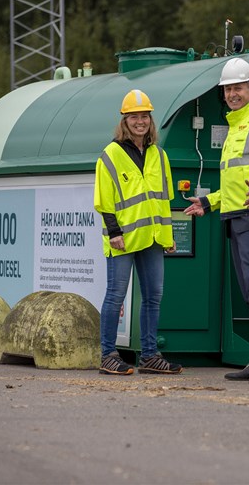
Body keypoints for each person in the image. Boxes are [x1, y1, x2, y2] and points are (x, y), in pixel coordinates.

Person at [184, 58, 249, 384]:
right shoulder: (234, 128)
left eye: (238, 87)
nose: (233, 94)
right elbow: (233, 186)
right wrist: (208, 201)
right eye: (228, 89)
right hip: (237, 217)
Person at [94, 89, 182, 376]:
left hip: (153, 238)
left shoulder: (159, 155)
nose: (140, 121)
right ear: (124, 121)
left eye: (144, 116)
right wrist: (114, 231)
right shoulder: (111, 154)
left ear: (150, 120)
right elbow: (104, 199)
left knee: (153, 296)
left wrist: (168, 237)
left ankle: (149, 355)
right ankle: (108, 354)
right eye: (134, 116)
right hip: (123, 237)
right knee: (116, 295)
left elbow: (164, 199)